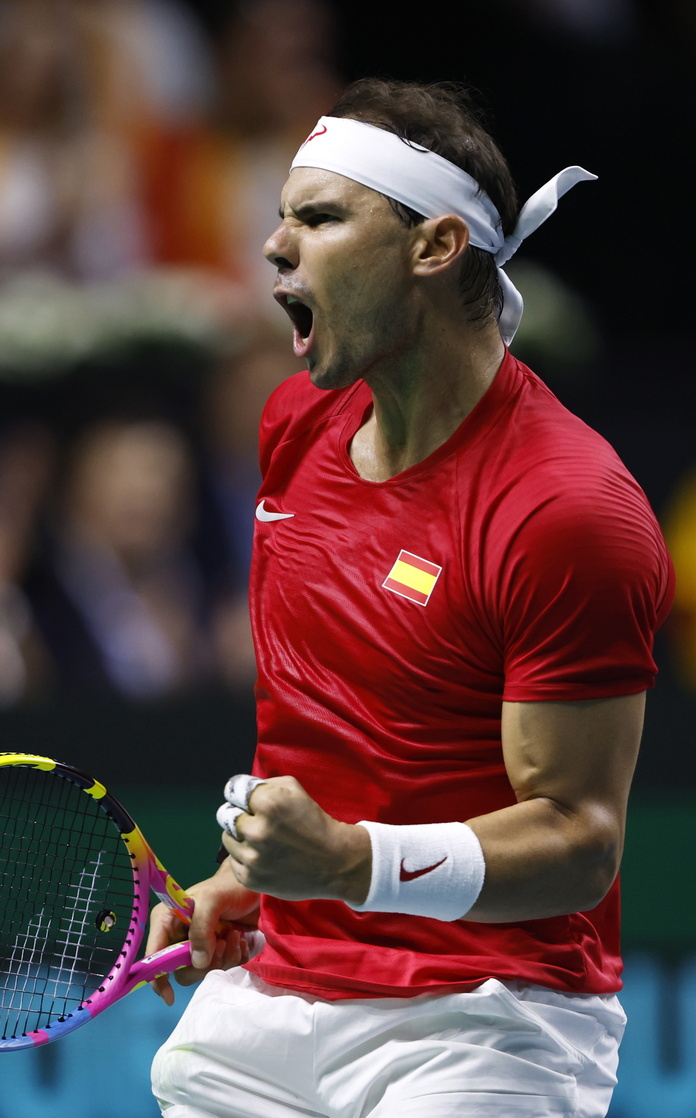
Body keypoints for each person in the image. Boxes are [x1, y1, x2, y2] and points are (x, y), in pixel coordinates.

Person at [146, 77, 674, 1118]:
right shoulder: (295, 425)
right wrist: (244, 883)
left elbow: (578, 840)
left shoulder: (566, 509)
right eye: (281, 214)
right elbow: (336, 738)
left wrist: (347, 860)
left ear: (434, 248)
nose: (274, 245)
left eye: (320, 217)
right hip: (268, 1008)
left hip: (487, 1021)